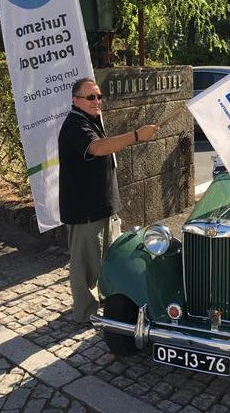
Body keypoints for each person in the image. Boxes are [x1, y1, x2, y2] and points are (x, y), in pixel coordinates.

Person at [58, 77, 160, 323]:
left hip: (103, 206)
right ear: (75, 101)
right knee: (85, 267)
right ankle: (85, 314)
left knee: (109, 261)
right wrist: (136, 135)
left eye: (99, 96)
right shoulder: (75, 124)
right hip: (84, 210)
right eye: (90, 97)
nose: (97, 101)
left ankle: (105, 303)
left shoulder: (91, 120)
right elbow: (97, 148)